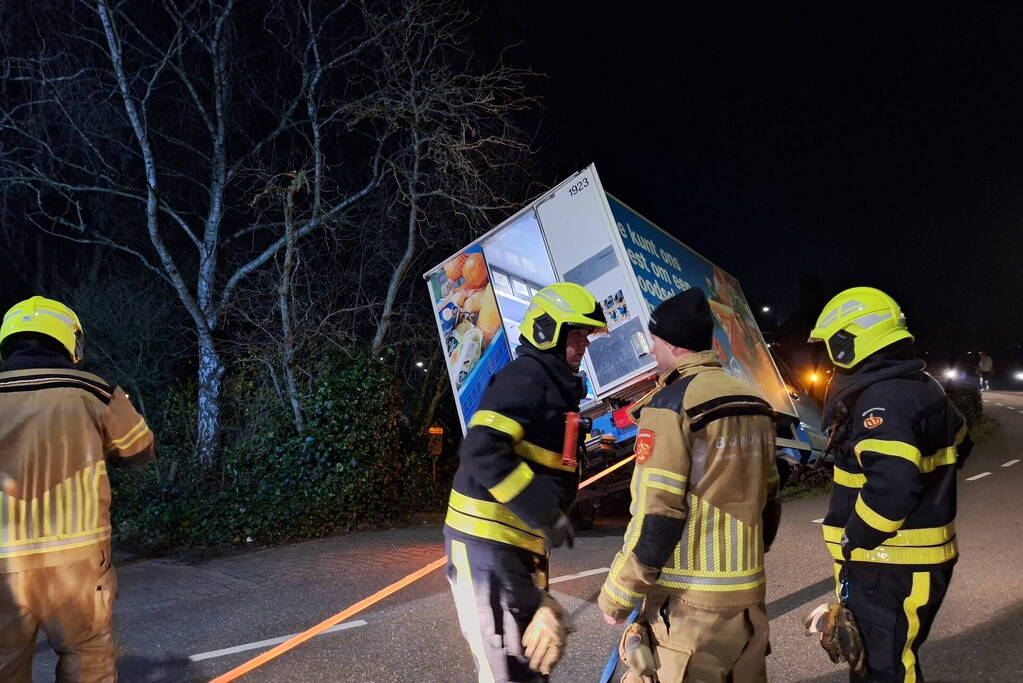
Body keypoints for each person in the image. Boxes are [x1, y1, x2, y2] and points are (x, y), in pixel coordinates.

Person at [598, 288, 780, 683]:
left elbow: (658, 513)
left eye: (655, 340)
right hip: (748, 599)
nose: (651, 349)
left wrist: (618, 593)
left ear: (673, 344)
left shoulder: (670, 405)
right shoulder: (756, 402)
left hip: (689, 606)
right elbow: (770, 497)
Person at [444, 282, 607, 682]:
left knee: (531, 665)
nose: (585, 342)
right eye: (577, 333)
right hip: (488, 546)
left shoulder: (553, 385)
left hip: (514, 548)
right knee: (511, 670)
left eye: (587, 334)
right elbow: (482, 449)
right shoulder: (526, 377)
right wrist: (545, 512)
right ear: (547, 330)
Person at [808, 286, 972, 682]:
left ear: (850, 341)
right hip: (912, 563)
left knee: (885, 669)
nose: (830, 360)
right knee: (884, 659)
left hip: (888, 563)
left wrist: (856, 537)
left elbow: (893, 486)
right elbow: (962, 441)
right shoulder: (922, 384)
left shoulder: (881, 398)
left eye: (831, 345)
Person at [0, 296, 155, 682]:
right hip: (78, 559)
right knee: (88, 661)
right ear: (69, 340)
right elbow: (139, 450)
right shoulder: (95, 391)